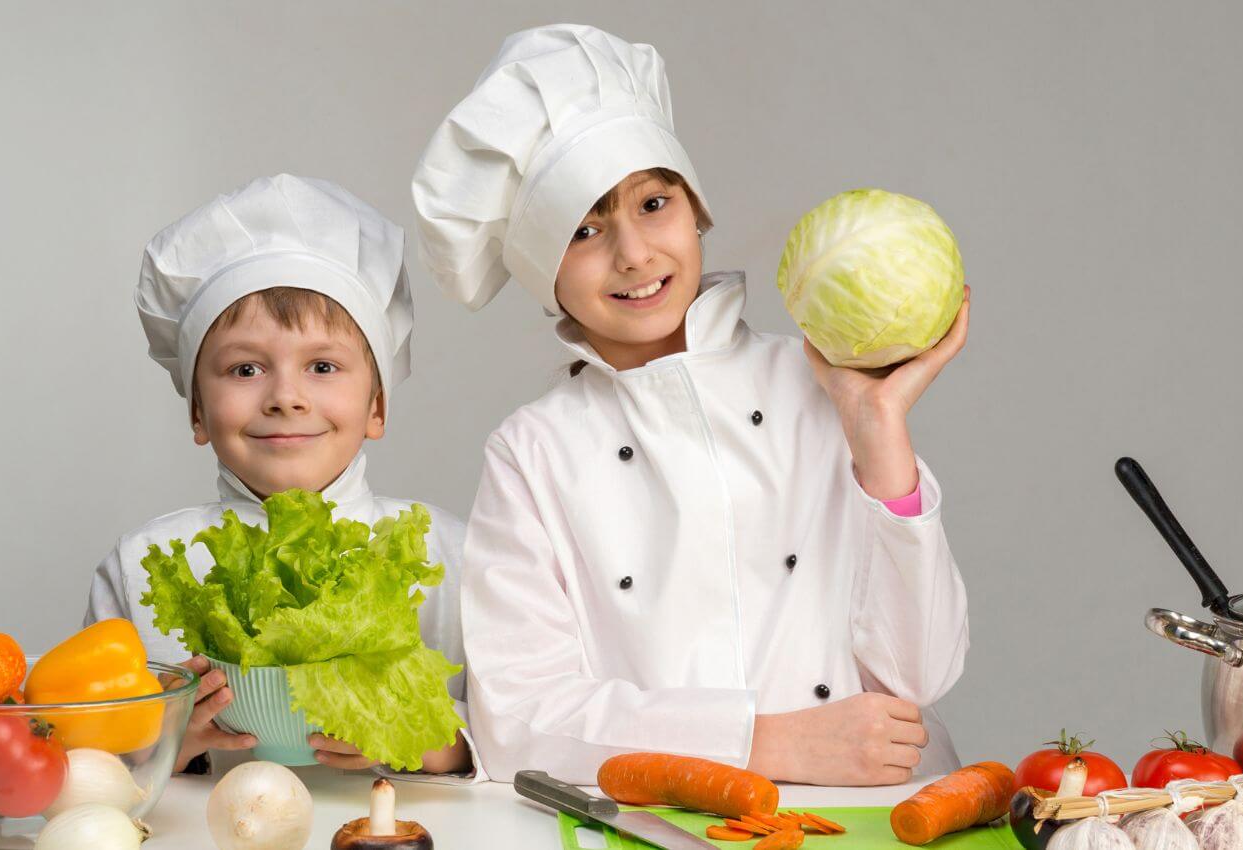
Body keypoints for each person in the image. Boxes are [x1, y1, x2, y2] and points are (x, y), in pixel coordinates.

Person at [411, 24, 971, 785]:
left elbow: (922, 674)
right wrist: (764, 744)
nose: (634, 253)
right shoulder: (534, 450)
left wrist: (880, 432)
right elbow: (518, 722)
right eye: (584, 229)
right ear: (545, 271)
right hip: (661, 826)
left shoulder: (819, 384)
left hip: (870, 815)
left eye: (653, 202)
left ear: (695, 208)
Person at [87, 174, 478, 781]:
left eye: (323, 366)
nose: (286, 397)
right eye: (245, 369)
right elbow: (91, 764)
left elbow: (513, 735)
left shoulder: (450, 555)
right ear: (196, 410)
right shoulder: (139, 566)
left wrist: (429, 740)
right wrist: (161, 741)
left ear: (377, 406)